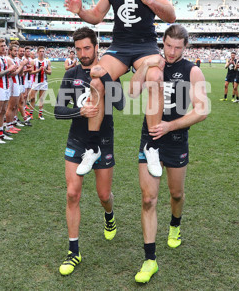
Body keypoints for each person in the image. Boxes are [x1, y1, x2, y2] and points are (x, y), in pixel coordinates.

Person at [64, 0, 176, 177]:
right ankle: (92, 146)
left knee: (156, 77)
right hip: (120, 46)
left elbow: (171, 15)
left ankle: (152, 147)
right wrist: (80, 11)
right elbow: (96, 16)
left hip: (145, 45)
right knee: (96, 78)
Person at [129, 24, 208, 284]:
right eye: (168, 46)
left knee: (176, 193)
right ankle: (149, 260)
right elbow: (132, 92)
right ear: (162, 42)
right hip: (151, 135)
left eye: (177, 47)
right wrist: (147, 65)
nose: (172, 52)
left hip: (175, 137)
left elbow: (202, 111)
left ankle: (175, 224)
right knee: (148, 199)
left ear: (186, 47)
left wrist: (170, 125)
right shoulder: (154, 65)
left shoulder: (192, 71)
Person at [55, 27, 124, 276]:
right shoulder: (71, 74)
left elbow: (121, 104)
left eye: (87, 48)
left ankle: (109, 215)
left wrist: (106, 78)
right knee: (72, 194)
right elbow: (58, 110)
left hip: (103, 141)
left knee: (104, 195)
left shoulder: (109, 73)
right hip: (77, 140)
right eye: (78, 49)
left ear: (97, 47)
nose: (83, 54)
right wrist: (78, 111)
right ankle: (74, 251)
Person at [27, 46, 51, 120]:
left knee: (41, 99)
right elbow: (30, 72)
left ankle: (40, 114)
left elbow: (50, 72)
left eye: (43, 51)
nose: (41, 53)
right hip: (35, 82)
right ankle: (30, 114)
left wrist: (45, 70)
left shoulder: (48, 61)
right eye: (40, 51)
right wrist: (38, 70)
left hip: (44, 82)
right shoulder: (33, 61)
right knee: (32, 98)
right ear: (37, 53)